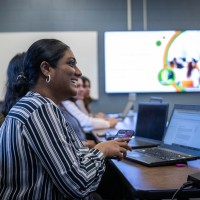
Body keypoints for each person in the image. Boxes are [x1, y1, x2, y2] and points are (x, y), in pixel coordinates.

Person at [0, 39, 131, 200]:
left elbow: (70, 157)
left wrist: (102, 148)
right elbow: (78, 184)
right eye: (71, 63)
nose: (78, 72)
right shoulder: (40, 109)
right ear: (46, 69)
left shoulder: (33, 104)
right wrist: (102, 150)